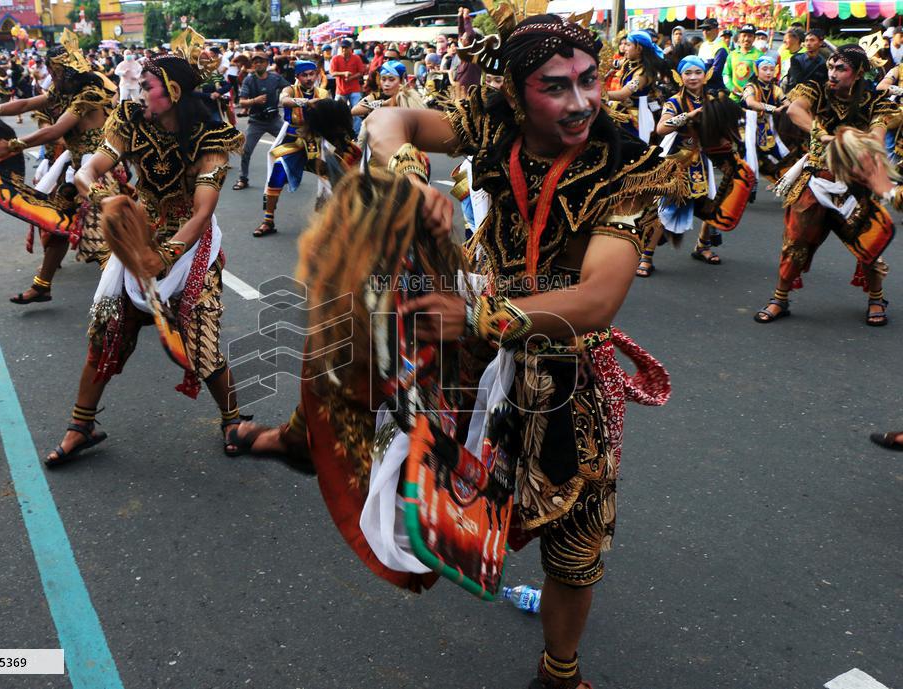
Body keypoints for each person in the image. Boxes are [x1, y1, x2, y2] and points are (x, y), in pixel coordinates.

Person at [239, 11, 679, 689]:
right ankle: (298, 440)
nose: (581, 102)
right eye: (555, 86)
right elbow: (390, 119)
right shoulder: (493, 123)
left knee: (575, 540)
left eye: (589, 80)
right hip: (472, 337)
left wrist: (476, 316)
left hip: (563, 369)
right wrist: (410, 176)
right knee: (356, 355)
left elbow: (596, 299)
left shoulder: (626, 165)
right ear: (514, 93)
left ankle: (559, 672)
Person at [45, 30, 246, 467]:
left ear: (173, 93)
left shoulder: (211, 138)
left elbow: (202, 212)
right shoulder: (130, 120)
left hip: (190, 248)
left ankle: (232, 419)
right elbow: (90, 169)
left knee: (200, 344)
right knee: (107, 332)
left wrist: (165, 256)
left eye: (148, 85)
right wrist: (102, 197)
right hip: (139, 235)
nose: (138, 91)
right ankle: (81, 426)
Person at [0, 31, 119, 305]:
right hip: (77, 170)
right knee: (57, 225)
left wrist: (13, 145)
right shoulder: (61, 91)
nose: (50, 76)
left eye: (53, 71)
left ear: (64, 71)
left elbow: (55, 131)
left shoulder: (88, 94)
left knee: (101, 239)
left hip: (99, 171)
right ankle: (42, 286)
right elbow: (28, 103)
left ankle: (126, 298)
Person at [756, 45, 896, 325]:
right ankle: (780, 298)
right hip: (817, 178)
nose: (832, 73)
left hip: (855, 181)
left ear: (858, 73)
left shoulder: (875, 101)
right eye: (830, 67)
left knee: (869, 242)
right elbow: (795, 110)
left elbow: (878, 134)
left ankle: (876, 298)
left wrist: (858, 144)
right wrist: (823, 135)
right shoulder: (816, 89)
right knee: (795, 241)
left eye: (841, 69)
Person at [640, 56, 752, 275]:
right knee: (665, 209)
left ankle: (703, 246)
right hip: (677, 160)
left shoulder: (713, 99)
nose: (693, 77)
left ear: (706, 75)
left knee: (713, 205)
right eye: (688, 73)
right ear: (679, 77)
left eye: (698, 72)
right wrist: (687, 116)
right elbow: (661, 128)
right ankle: (646, 256)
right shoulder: (674, 102)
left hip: (704, 159)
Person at [254, 61, 357, 237]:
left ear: (316, 75)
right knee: (277, 175)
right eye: (304, 75)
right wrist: (306, 102)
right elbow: (284, 101)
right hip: (293, 141)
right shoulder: (290, 90)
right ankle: (268, 220)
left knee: (332, 178)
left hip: (317, 141)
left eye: (312, 74)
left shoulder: (323, 93)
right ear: (297, 76)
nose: (309, 78)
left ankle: (331, 222)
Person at [233, 51, 288, 191]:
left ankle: (288, 174)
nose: (258, 64)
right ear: (252, 64)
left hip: (274, 120)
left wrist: (286, 96)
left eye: (261, 61)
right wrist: (254, 101)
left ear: (267, 63)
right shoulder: (249, 80)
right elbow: (242, 102)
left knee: (290, 143)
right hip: (256, 121)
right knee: (245, 150)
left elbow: (290, 89)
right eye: (255, 62)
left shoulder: (275, 78)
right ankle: (243, 179)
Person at [606, 30, 664, 142]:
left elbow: (623, 94)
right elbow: (611, 63)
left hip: (635, 116)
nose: (624, 48)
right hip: (622, 110)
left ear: (639, 49)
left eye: (628, 45)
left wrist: (599, 94)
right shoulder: (628, 62)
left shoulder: (642, 75)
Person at [742, 55, 790, 183]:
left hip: (767, 126)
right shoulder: (750, 87)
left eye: (771, 69)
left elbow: (788, 104)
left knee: (782, 152)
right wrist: (773, 109)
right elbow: (751, 103)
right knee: (747, 153)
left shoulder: (776, 89)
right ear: (757, 70)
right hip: (747, 126)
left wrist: (787, 108)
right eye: (765, 69)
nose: (768, 72)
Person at [330, 39, 365, 133]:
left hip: (354, 89)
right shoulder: (335, 58)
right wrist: (343, 73)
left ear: (350, 48)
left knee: (357, 111)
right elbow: (332, 73)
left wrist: (351, 77)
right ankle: (340, 131)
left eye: (346, 48)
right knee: (338, 112)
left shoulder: (356, 58)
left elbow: (361, 72)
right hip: (341, 90)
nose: (344, 50)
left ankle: (356, 133)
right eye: (343, 48)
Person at [723, 25, 764, 100]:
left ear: (754, 38)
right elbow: (726, 74)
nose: (746, 39)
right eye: (744, 35)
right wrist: (732, 88)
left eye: (750, 36)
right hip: (734, 98)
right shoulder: (732, 55)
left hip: (753, 98)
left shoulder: (760, 55)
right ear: (739, 37)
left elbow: (763, 77)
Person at [697, 18, 728, 91]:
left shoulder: (721, 47)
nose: (705, 32)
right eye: (703, 29)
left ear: (717, 30)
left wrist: (698, 75)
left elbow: (716, 72)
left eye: (708, 29)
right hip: (703, 86)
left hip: (716, 88)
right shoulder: (703, 45)